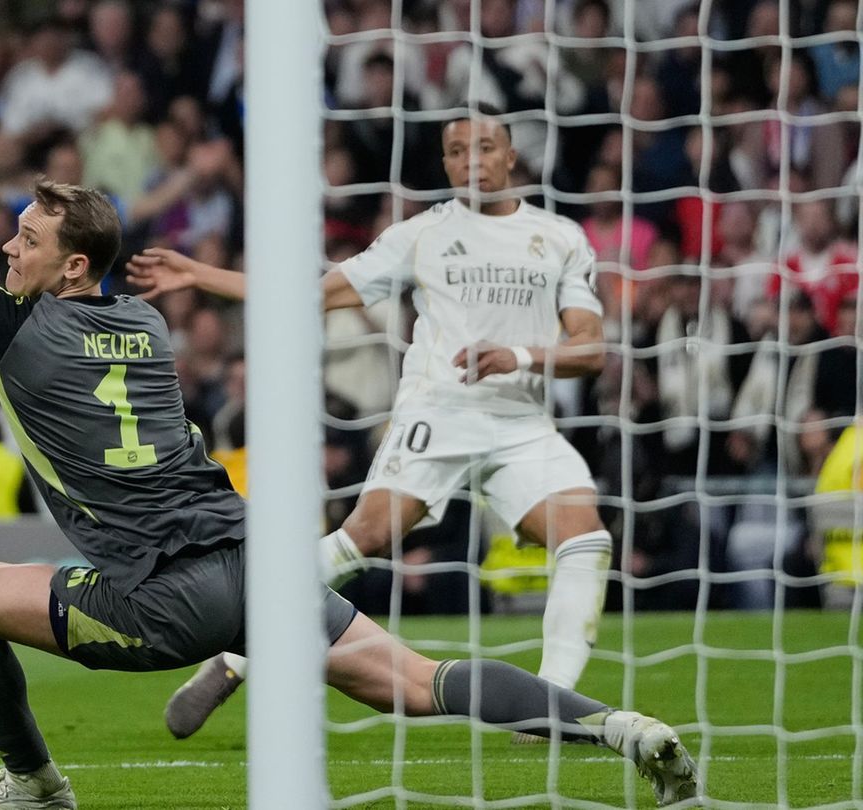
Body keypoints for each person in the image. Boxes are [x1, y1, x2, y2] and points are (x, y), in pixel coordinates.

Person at [0, 88, 695, 809]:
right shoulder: (145, 324)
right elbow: (81, 389)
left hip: (159, 595)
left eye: (25, 240)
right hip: (258, 565)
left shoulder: (8, 321)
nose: (6, 249)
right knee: (417, 682)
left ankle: (34, 787)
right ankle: (620, 728)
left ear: (73, 266)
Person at [127, 105, 618, 742]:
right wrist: (199, 273)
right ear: (445, 163)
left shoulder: (559, 238)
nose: (471, 161)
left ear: (510, 156)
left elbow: (591, 348)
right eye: (457, 151)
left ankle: (550, 709)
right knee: (366, 537)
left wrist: (519, 356)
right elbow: (312, 293)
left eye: (484, 148)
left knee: (586, 540)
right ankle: (234, 656)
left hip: (521, 419)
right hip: (440, 411)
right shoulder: (423, 234)